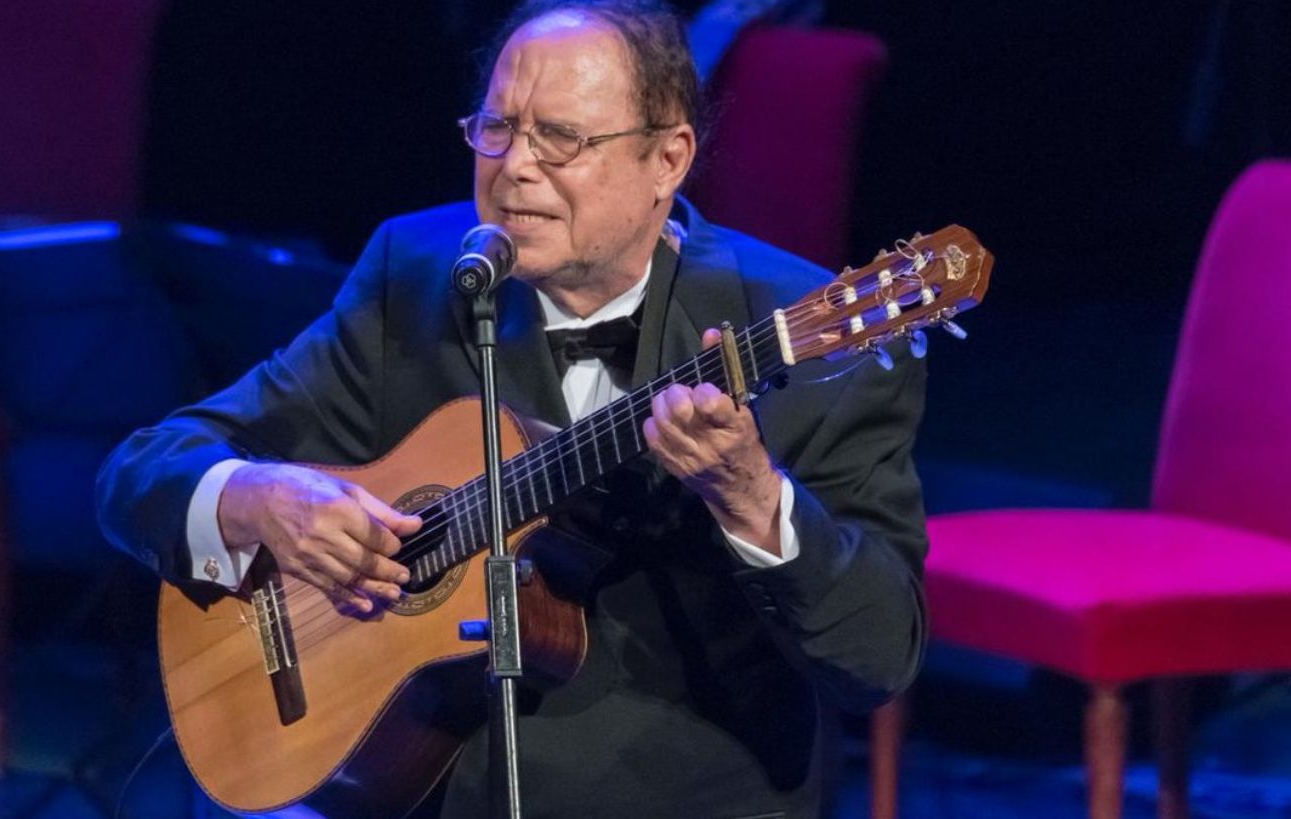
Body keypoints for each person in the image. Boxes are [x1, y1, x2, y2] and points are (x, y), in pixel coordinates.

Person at [97, 1, 928, 816]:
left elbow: (878, 656)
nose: (515, 166)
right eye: (496, 128)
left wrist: (753, 497)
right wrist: (256, 499)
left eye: (560, 137)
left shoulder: (805, 334)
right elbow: (143, 469)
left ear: (667, 158)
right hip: (435, 789)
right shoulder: (416, 276)